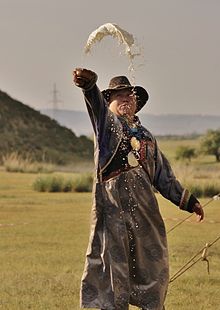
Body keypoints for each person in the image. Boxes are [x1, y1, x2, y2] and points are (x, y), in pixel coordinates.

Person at [73, 68, 204, 310]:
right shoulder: (106, 126)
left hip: (145, 210)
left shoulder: (147, 136)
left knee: (155, 264)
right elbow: (95, 105)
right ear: (108, 101)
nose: (125, 98)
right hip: (111, 208)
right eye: (118, 95)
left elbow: (164, 176)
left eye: (129, 95)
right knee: (112, 265)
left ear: (137, 102)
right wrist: (89, 87)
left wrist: (189, 201)